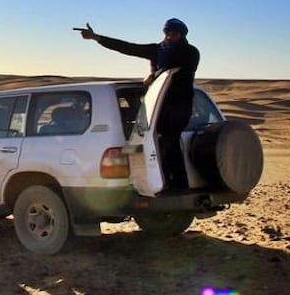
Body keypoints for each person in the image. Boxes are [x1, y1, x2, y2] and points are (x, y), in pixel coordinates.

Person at [77, 18, 200, 190]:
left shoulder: (190, 51)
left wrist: (153, 76)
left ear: (182, 35)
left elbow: (179, 68)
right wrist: (96, 38)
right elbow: (127, 47)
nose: (170, 37)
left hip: (179, 105)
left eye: (174, 34)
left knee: (169, 141)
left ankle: (179, 184)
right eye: (167, 33)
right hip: (159, 106)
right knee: (157, 143)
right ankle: (162, 180)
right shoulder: (156, 50)